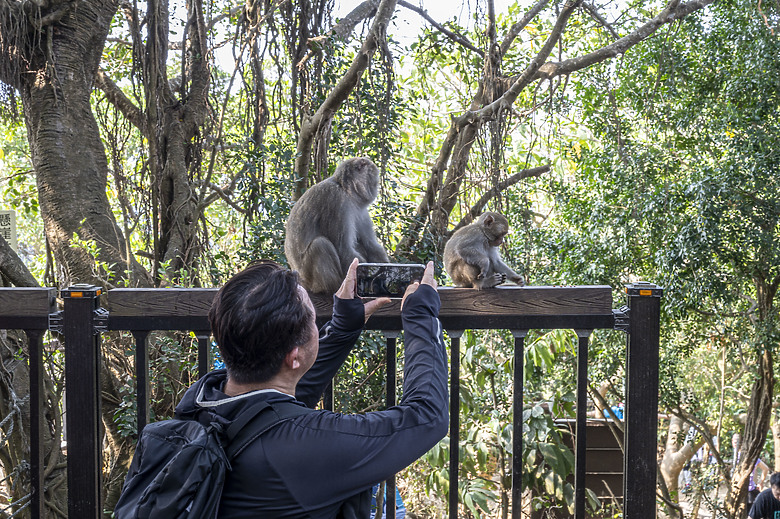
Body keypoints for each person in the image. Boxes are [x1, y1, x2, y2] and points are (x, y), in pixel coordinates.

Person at [174, 258, 448, 518]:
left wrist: (342, 328)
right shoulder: (313, 446)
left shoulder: (200, 404)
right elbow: (426, 417)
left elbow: (273, 410)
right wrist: (421, 315)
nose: (318, 325)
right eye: (314, 319)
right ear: (294, 356)